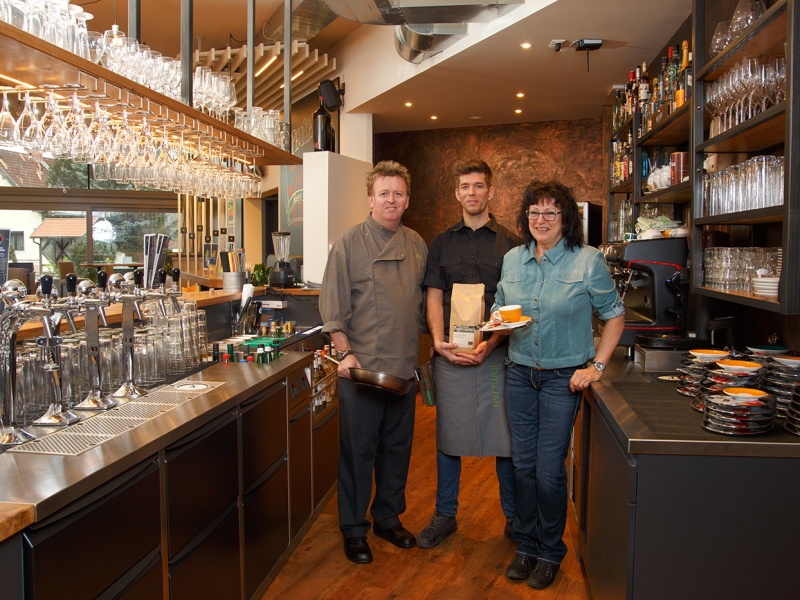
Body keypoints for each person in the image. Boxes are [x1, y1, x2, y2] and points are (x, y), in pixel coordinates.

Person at [494, 181, 625, 589]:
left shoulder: (588, 262)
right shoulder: (513, 259)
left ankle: (551, 551)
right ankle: (527, 546)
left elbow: (614, 316)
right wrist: (497, 319)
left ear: (567, 218)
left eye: (551, 212)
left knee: (549, 472)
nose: (541, 220)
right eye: (534, 211)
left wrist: (597, 365)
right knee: (522, 466)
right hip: (518, 374)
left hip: (560, 380)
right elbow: (501, 307)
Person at [320, 160, 428, 564]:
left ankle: (387, 518)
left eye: (398, 193)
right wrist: (344, 352)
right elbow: (333, 306)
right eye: (384, 193)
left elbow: (422, 304)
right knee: (358, 452)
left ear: (407, 201)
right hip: (361, 367)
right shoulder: (348, 244)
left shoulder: (417, 243)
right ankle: (353, 529)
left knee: (396, 450)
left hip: (402, 365)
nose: (391, 200)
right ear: (370, 199)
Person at [417, 159, 521, 549]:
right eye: (465, 186)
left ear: (490, 192)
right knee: (449, 437)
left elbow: (513, 306)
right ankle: (446, 516)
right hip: (450, 357)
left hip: (495, 359)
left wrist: (489, 344)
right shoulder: (441, 243)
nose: (472, 193)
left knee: (503, 440)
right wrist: (438, 343)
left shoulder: (511, 244)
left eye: (479, 186)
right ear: (457, 193)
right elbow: (433, 295)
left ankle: (514, 518)